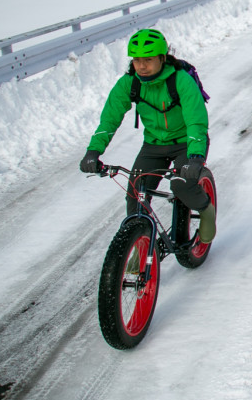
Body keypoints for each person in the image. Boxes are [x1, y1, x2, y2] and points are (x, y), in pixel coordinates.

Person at [79, 28, 217, 243]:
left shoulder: (180, 80)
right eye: (137, 60)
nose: (142, 66)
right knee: (136, 195)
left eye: (148, 59)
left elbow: (196, 121)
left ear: (162, 58)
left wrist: (196, 158)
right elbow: (109, 119)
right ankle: (139, 244)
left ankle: (206, 209)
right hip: (153, 145)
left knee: (181, 184)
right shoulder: (129, 83)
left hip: (185, 143)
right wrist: (93, 151)